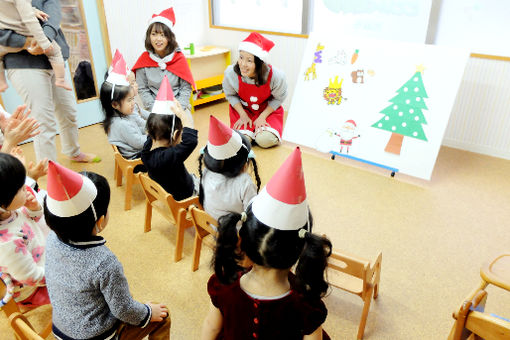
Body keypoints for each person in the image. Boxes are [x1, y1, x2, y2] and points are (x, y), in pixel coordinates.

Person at [201, 148, 332, 340]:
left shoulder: (224, 283)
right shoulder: (305, 303)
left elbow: (211, 328)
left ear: (243, 242)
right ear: (302, 249)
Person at [43, 161, 170, 339]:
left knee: (120, 295)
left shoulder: (51, 239)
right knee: (163, 317)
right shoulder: (104, 262)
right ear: (100, 221)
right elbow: (123, 310)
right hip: (96, 336)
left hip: (61, 329)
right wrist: (148, 312)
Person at [0, 0, 98, 163]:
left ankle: (73, 151)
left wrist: (45, 38)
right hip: (22, 62)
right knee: (43, 122)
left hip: (50, 51)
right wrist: (27, 42)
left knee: (68, 111)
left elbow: (52, 6)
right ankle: (50, 171)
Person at [0, 153, 50, 309]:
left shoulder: (9, 211)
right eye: (21, 188)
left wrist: (33, 208)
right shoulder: (8, 243)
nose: (26, 188)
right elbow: (30, 277)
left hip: (39, 255)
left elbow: (31, 220)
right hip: (33, 290)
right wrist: (58, 272)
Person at [223, 32, 288, 148]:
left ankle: (259, 133)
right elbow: (230, 95)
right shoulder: (231, 73)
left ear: (259, 63)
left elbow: (279, 98)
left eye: (249, 61)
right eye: (241, 57)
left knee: (265, 140)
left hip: (267, 110)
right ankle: (250, 132)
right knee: (242, 141)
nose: (242, 64)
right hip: (244, 110)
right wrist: (242, 115)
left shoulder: (276, 76)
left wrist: (262, 116)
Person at [141, 76, 198, 201]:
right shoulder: (169, 157)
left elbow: (151, 134)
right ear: (175, 135)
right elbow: (191, 141)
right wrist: (183, 115)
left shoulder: (145, 153)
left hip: (166, 194)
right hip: (186, 195)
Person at [131, 7, 195, 113]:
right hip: (154, 108)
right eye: (154, 34)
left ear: (169, 38)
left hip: (178, 106)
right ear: (149, 37)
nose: (158, 39)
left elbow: (185, 89)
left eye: (163, 35)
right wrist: (155, 109)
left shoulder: (179, 58)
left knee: (186, 127)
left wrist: (178, 109)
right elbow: (143, 89)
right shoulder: (144, 60)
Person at [198, 115, 260, 221]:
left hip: (212, 224)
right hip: (235, 232)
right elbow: (253, 214)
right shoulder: (245, 183)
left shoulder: (206, 172)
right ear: (244, 163)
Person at [0, 0, 72, 92]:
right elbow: (29, 19)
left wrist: (33, 10)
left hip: (6, 42)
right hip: (26, 34)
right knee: (56, 51)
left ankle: (1, 82)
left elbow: (11, 9)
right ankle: (61, 80)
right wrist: (44, 42)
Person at [100, 50, 149, 160]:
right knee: (167, 152)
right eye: (129, 100)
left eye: (132, 99)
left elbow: (141, 123)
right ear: (115, 104)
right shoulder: (122, 124)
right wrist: (154, 135)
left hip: (136, 148)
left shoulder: (122, 114)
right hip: (136, 157)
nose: (133, 103)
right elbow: (140, 143)